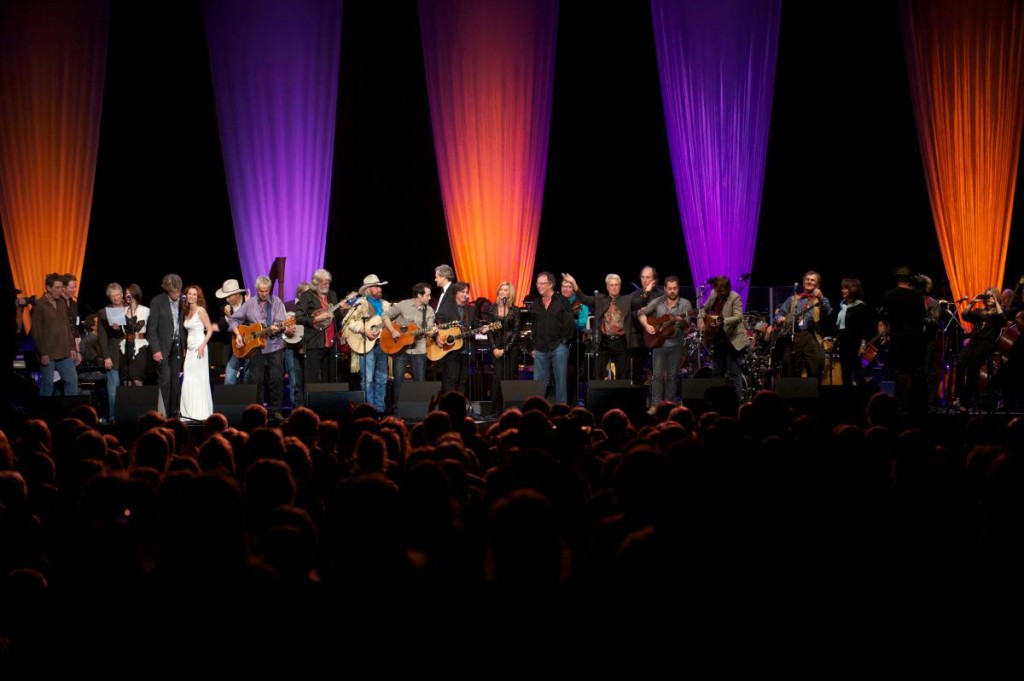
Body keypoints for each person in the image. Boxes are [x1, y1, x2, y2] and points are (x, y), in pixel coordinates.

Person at [230, 275, 293, 421]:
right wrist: (238, 334)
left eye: (267, 291)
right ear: (257, 290)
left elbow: (282, 323)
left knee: (276, 379)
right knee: (256, 380)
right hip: (255, 348)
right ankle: (258, 413)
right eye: (261, 291)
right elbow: (234, 320)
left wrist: (276, 328)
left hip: (275, 346)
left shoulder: (276, 302)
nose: (264, 294)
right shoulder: (250, 304)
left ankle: (275, 412)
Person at [562, 272, 643, 381]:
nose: (614, 287)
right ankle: (598, 397)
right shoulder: (600, 299)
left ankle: (620, 398)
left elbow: (641, 303)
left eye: (616, 285)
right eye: (611, 285)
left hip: (622, 343)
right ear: (607, 287)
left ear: (620, 286)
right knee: (597, 376)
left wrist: (647, 291)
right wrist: (573, 283)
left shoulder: (627, 299)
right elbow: (584, 299)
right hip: (603, 342)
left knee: (622, 377)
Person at [638, 275, 692, 409]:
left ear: (678, 288)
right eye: (670, 289)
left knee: (672, 377)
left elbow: (687, 323)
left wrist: (680, 320)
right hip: (658, 343)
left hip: (676, 344)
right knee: (656, 376)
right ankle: (655, 406)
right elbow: (641, 313)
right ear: (665, 289)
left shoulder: (685, 304)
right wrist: (646, 325)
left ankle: (670, 406)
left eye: (675, 288)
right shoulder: (658, 301)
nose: (672, 291)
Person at [881, 266, 927, 413]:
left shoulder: (889, 295)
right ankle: (918, 405)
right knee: (917, 372)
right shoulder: (917, 296)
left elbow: (887, 316)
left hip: (898, 339)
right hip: (915, 339)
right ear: (910, 279)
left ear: (897, 279)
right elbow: (922, 316)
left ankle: (903, 404)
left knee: (900, 372)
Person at [382, 282, 436, 408]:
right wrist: (392, 330)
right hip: (401, 349)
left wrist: (432, 332)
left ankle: (419, 411)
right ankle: (397, 411)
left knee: (420, 382)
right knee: (399, 382)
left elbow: (429, 330)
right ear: (419, 295)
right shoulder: (403, 305)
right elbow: (385, 315)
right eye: (427, 295)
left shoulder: (429, 311)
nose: (429, 298)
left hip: (419, 349)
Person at [343, 274, 390, 413]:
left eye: (379, 286)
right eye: (376, 286)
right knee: (368, 380)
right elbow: (347, 322)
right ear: (368, 289)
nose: (379, 288)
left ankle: (380, 410)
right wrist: (363, 330)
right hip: (367, 346)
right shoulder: (360, 304)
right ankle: (368, 410)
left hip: (382, 345)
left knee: (382, 379)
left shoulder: (386, 305)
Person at [296, 269, 349, 389]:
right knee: (312, 378)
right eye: (323, 282)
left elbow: (335, 319)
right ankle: (311, 405)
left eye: (328, 282)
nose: (326, 285)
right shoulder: (307, 296)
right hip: (314, 342)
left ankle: (327, 405)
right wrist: (315, 319)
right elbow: (298, 318)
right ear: (316, 282)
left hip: (330, 342)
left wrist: (341, 311)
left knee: (330, 378)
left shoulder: (332, 295)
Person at [774, 271, 832, 380]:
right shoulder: (793, 299)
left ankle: (813, 394)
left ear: (817, 285)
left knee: (814, 370)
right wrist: (779, 318)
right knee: (790, 369)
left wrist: (822, 297)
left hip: (811, 336)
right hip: (794, 337)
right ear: (803, 281)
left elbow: (828, 313)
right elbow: (779, 314)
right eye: (807, 279)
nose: (809, 281)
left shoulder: (820, 300)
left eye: (812, 280)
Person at [955, 287, 1006, 411]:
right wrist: (972, 302)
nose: (988, 298)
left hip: (986, 343)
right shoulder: (980, 312)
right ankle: (960, 397)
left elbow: (1002, 321)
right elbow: (965, 316)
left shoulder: (998, 313)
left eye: (991, 296)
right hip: (974, 342)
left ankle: (966, 401)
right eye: (987, 296)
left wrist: (996, 301)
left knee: (973, 366)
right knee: (960, 364)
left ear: (996, 298)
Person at [30, 273, 78, 397]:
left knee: (72, 380)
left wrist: (72, 347)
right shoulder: (40, 306)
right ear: (48, 288)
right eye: (57, 287)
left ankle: (70, 410)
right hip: (48, 354)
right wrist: (43, 353)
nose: (60, 290)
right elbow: (37, 332)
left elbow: (67, 326)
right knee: (47, 385)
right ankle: (44, 413)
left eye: (61, 287)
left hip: (64, 352)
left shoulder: (61, 303)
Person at [701, 276, 747, 401]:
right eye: (717, 290)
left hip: (733, 341)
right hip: (718, 340)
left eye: (722, 290)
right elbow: (704, 310)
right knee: (717, 372)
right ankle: (717, 401)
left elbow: (739, 317)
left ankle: (736, 403)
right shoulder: (714, 294)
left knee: (734, 374)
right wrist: (703, 320)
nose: (719, 293)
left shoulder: (735, 297)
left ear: (728, 288)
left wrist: (722, 320)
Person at [531, 272, 574, 404]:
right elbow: (533, 327)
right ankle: (538, 408)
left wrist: (564, 341)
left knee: (561, 380)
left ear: (551, 284)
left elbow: (569, 323)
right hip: (540, 348)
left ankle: (561, 409)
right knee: (538, 382)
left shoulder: (563, 301)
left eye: (542, 283)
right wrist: (533, 346)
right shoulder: (535, 304)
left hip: (558, 346)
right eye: (537, 283)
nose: (539, 286)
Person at [148, 274, 185, 417]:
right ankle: (163, 415)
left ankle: (175, 414)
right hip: (162, 348)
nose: (176, 294)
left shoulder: (182, 301)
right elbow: (152, 328)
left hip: (177, 345)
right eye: (173, 292)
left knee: (176, 382)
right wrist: (155, 349)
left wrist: (184, 346)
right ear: (167, 290)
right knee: (165, 381)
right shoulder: (157, 301)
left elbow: (182, 326)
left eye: (178, 291)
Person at [179, 285, 215, 421]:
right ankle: (188, 413)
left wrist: (202, 345)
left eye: (194, 294)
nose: (192, 296)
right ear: (186, 296)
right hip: (189, 349)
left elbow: (210, 329)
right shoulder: (186, 312)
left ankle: (200, 414)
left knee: (199, 380)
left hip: (200, 347)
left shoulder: (201, 311)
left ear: (198, 297)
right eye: (189, 294)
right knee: (188, 379)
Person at [435, 281, 478, 397]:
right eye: (462, 292)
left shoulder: (472, 309)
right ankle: (449, 406)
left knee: (463, 381)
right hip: (451, 349)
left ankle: (460, 406)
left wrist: (482, 329)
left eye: (466, 292)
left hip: (467, 349)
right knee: (451, 379)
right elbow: (437, 322)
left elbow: (476, 325)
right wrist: (440, 336)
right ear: (455, 293)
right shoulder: (446, 307)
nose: (465, 294)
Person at [487, 281, 521, 409]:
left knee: (509, 376)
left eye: (505, 290)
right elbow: (489, 331)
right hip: (496, 346)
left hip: (511, 348)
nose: (502, 292)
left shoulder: (515, 310)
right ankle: (495, 408)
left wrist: (505, 349)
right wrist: (494, 348)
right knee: (498, 376)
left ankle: (509, 407)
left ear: (510, 293)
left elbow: (516, 332)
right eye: (500, 289)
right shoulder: (492, 309)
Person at [96, 282, 126, 420]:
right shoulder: (103, 313)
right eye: (112, 296)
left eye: (118, 294)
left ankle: (128, 415)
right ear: (109, 297)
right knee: (113, 389)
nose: (116, 298)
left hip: (130, 352)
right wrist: (106, 357)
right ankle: (114, 417)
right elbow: (102, 338)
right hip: (113, 354)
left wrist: (121, 328)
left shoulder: (131, 308)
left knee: (129, 386)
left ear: (122, 294)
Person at [629, 265, 663, 385]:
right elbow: (631, 314)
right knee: (637, 373)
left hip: (657, 337)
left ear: (654, 279)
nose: (644, 280)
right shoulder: (634, 295)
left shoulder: (661, 294)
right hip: (639, 338)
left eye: (648, 277)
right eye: (642, 277)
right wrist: (646, 294)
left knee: (657, 371)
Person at [835, 278, 872, 389]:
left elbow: (864, 327)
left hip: (855, 343)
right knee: (845, 374)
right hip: (844, 343)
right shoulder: (843, 307)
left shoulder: (860, 306)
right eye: (842, 288)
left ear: (853, 290)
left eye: (845, 288)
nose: (842, 290)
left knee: (857, 373)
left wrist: (863, 345)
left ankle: (862, 399)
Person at [215, 279, 249, 385]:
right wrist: (227, 316)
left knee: (248, 376)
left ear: (237, 294)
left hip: (249, 345)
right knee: (229, 374)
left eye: (229, 296)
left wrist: (247, 306)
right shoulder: (224, 308)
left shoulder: (249, 303)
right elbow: (222, 327)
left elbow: (250, 325)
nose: (227, 299)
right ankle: (229, 400)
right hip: (234, 348)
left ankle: (248, 399)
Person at [286, 281, 314, 409]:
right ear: (300, 294)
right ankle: (296, 409)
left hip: (307, 346)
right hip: (291, 347)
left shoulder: (311, 307)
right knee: (294, 379)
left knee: (308, 378)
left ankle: (308, 407)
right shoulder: (288, 305)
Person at [120, 283, 151, 387]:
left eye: (129, 293)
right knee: (126, 381)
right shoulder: (123, 310)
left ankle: (140, 402)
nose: (127, 296)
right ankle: (127, 402)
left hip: (139, 345)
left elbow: (136, 327)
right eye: (126, 293)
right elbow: (120, 329)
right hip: (125, 345)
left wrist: (123, 318)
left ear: (135, 294)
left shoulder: (144, 310)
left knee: (137, 380)